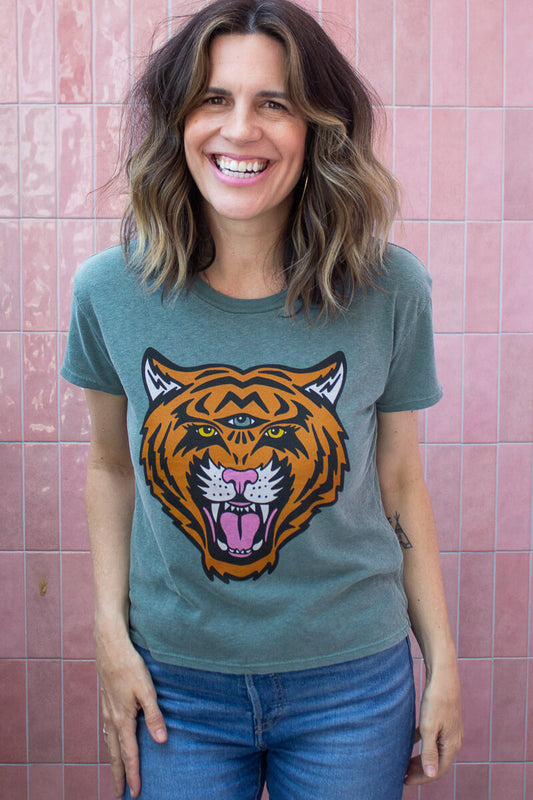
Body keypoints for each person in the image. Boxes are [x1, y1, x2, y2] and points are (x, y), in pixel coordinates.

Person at [61, 1, 463, 798]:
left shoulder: (390, 289)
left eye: (273, 103)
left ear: (318, 129)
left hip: (351, 679)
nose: (239, 129)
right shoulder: (110, 290)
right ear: (177, 121)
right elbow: (110, 466)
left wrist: (442, 660)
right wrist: (110, 636)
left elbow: (397, 480)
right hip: (174, 683)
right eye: (213, 98)